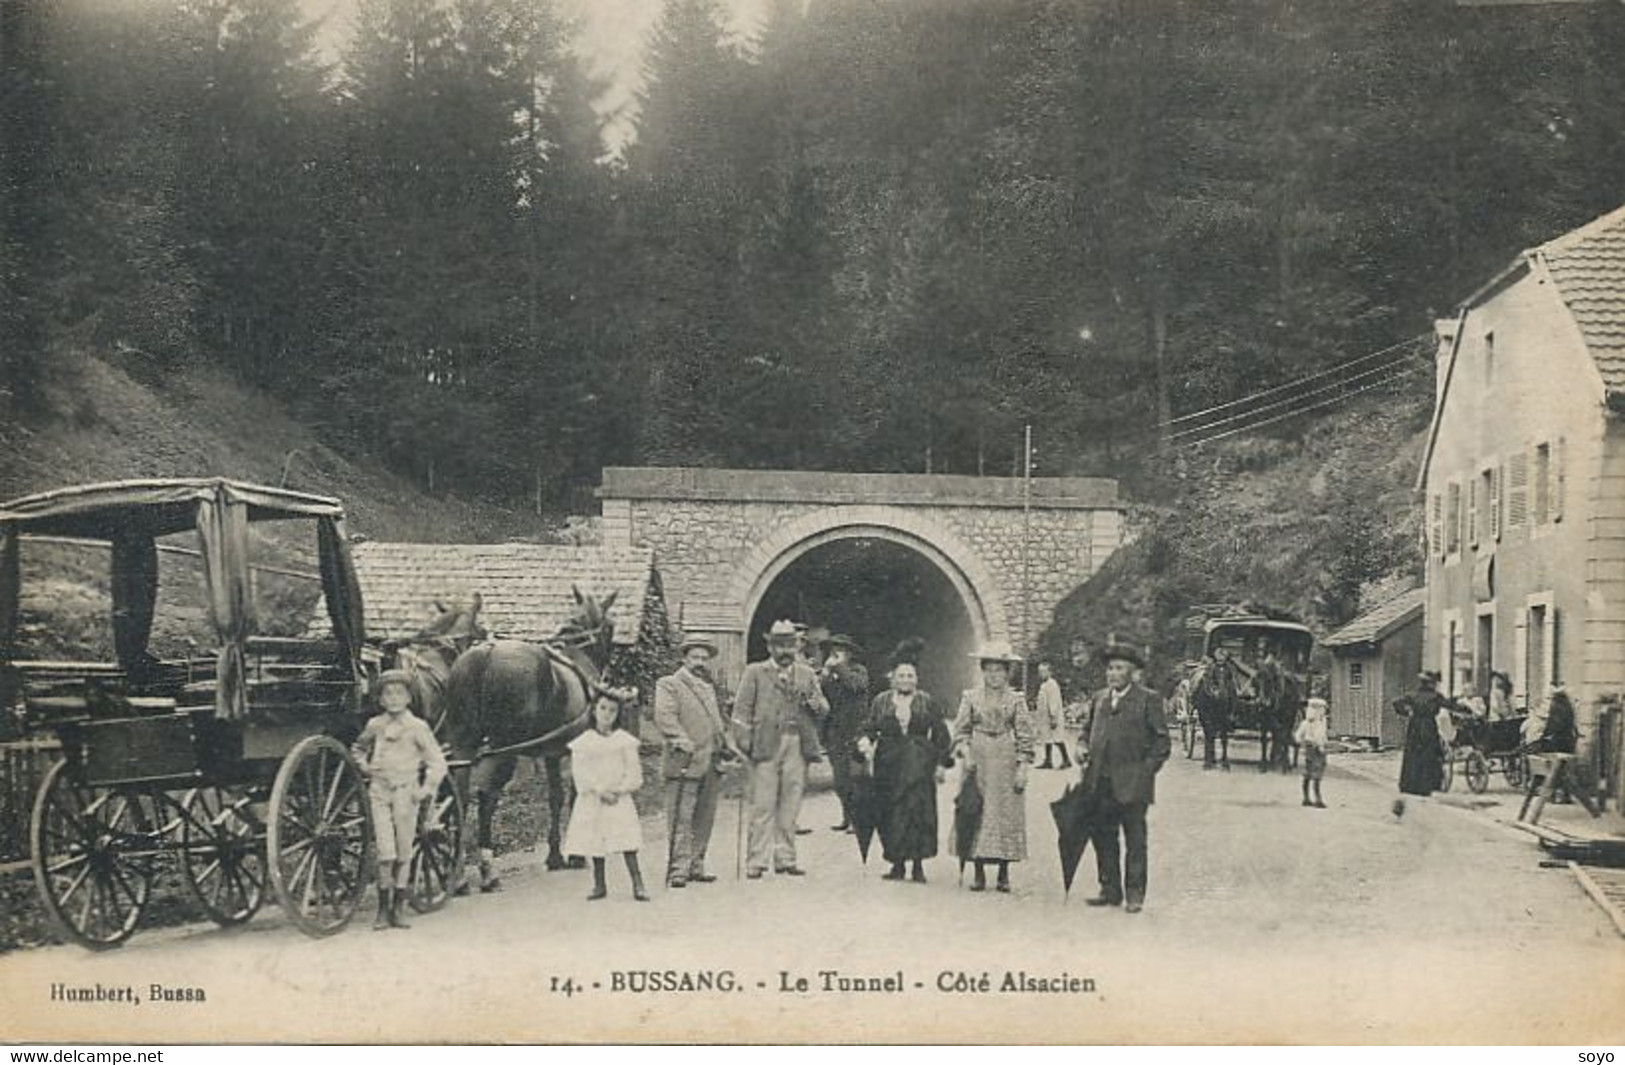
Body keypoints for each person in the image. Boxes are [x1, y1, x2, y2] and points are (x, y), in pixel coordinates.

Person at [1077, 640, 1170, 913]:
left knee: (1135, 839)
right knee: (1103, 836)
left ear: (1131, 672)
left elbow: (1161, 743)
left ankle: (1134, 894)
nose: (1112, 674)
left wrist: (1145, 772)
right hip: (1099, 781)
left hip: (1133, 784)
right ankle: (1110, 889)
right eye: (1109, 669)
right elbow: (1085, 732)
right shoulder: (1099, 698)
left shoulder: (1147, 699)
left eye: (1118, 668)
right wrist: (1082, 747)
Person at [352, 669, 448, 931]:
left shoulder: (418, 727)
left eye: (399, 693)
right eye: (387, 693)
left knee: (404, 852)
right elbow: (359, 748)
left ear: (408, 698)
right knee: (386, 852)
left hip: (407, 793)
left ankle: (399, 908)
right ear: (381, 700)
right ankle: (382, 911)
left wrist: (425, 789)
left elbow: (437, 762)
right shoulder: (375, 725)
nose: (393, 698)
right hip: (380, 792)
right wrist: (365, 767)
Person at [733, 619, 830, 878]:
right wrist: (746, 745)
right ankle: (756, 861)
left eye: (790, 645)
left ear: (797, 647)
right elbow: (740, 713)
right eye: (780, 646)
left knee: (791, 803)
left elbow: (823, 709)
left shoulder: (806, 674)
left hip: (797, 744)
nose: (785, 651)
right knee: (763, 805)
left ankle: (786, 858)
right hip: (765, 746)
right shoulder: (755, 672)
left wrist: (814, 702)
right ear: (771, 647)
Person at [860, 643, 952, 883]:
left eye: (910, 675)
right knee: (890, 812)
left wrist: (942, 763)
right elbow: (869, 727)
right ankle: (897, 864)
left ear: (917, 679)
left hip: (920, 763)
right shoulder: (881, 701)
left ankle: (918, 865)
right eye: (901, 675)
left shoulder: (926, 701)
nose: (906, 680)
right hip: (889, 764)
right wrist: (865, 743)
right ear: (892, 678)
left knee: (918, 813)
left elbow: (941, 734)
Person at [653, 637, 740, 889]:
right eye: (695, 657)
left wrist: (728, 746)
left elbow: (716, 724)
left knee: (705, 817)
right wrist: (680, 739)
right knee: (681, 817)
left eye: (704, 658)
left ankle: (696, 864)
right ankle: (678, 868)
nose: (700, 662)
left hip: (711, 762)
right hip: (684, 762)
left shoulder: (708, 688)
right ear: (684, 658)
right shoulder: (669, 684)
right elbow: (664, 717)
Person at [951, 640, 1036, 894]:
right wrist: (966, 754)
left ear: (1007, 672)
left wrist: (1022, 767)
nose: (994, 675)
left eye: (999, 670)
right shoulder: (971, 697)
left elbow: (1025, 735)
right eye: (989, 670)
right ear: (983, 671)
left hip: (1005, 759)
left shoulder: (1016, 700)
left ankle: (1003, 872)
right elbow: (961, 731)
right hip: (977, 759)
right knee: (975, 810)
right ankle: (977, 871)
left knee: (1004, 814)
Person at [563, 692, 649, 901]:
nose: (607, 714)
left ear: (618, 714)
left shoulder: (624, 741)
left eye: (612, 710)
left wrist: (619, 790)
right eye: (602, 708)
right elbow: (580, 773)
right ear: (594, 711)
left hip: (618, 798)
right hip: (594, 797)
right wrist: (600, 790)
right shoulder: (583, 743)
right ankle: (599, 884)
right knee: (595, 839)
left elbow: (634, 773)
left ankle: (638, 883)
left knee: (627, 839)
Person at [820, 635, 871, 832]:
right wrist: (825, 673)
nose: (836, 652)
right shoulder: (831, 674)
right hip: (836, 732)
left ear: (849, 654)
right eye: (834, 649)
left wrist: (839, 668)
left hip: (856, 731)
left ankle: (859, 820)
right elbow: (820, 694)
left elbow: (855, 686)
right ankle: (847, 816)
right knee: (840, 779)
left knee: (855, 777)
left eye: (840, 649)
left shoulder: (859, 671)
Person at [1394, 671, 1449, 798]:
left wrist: (1406, 713)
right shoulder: (1436, 696)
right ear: (1432, 684)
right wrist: (1467, 709)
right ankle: (1426, 786)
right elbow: (1451, 705)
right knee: (1429, 754)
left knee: (1413, 754)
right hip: (1429, 726)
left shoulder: (1413, 695)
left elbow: (1396, 703)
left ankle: (1410, 785)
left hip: (1415, 726)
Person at [1034, 661, 1071, 769]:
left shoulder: (1052, 685)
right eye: (1040, 672)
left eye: (1044, 671)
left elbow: (1053, 701)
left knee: (1057, 738)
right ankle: (1048, 761)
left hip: (1051, 717)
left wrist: (1053, 716)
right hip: (1044, 717)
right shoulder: (1044, 685)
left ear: (1050, 672)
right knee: (1047, 738)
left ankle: (1066, 759)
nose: (1041, 674)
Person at [1294, 697, 1329, 808]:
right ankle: (1313, 798)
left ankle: (1309, 797)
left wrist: (1323, 744)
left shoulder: (1322, 723)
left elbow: (1323, 737)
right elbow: (1298, 736)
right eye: (1321, 709)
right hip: (1313, 749)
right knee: (1314, 772)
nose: (1323, 711)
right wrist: (1307, 742)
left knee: (1314, 772)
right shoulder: (1307, 723)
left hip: (1319, 749)